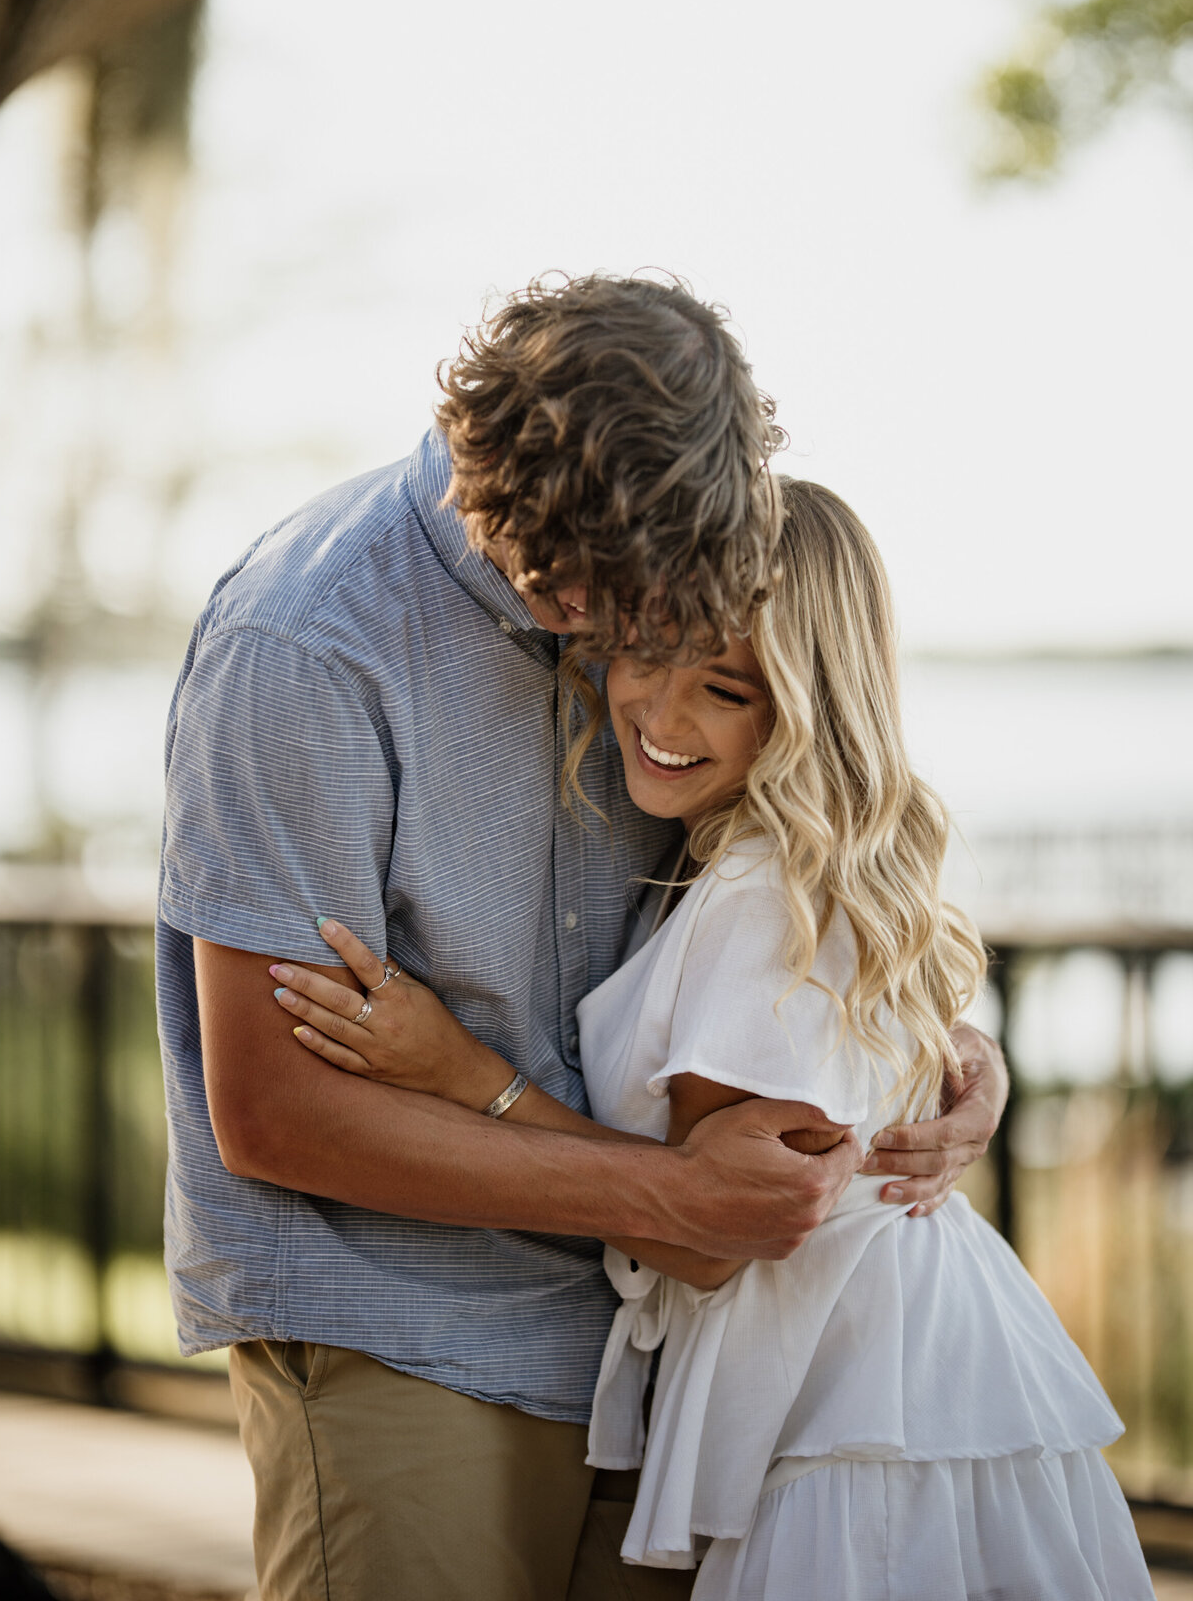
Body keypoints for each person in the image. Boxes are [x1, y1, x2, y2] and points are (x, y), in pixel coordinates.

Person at [157, 276, 1007, 1601]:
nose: (604, 632)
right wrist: (668, 1196)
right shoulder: (308, 646)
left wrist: (944, 1057)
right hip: (404, 1332)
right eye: (565, 591)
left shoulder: (670, 571)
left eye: (636, 603)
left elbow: (790, 889)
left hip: (662, 1358)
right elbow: (269, 1111)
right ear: (485, 480)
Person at [273, 477, 1149, 1600]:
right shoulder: (762, 864)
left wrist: (462, 1071)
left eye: (722, 688)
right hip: (899, 1368)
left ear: (806, 706)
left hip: (847, 1409)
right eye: (642, 653)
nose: (660, 712)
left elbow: (706, 1231)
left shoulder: (755, 891)